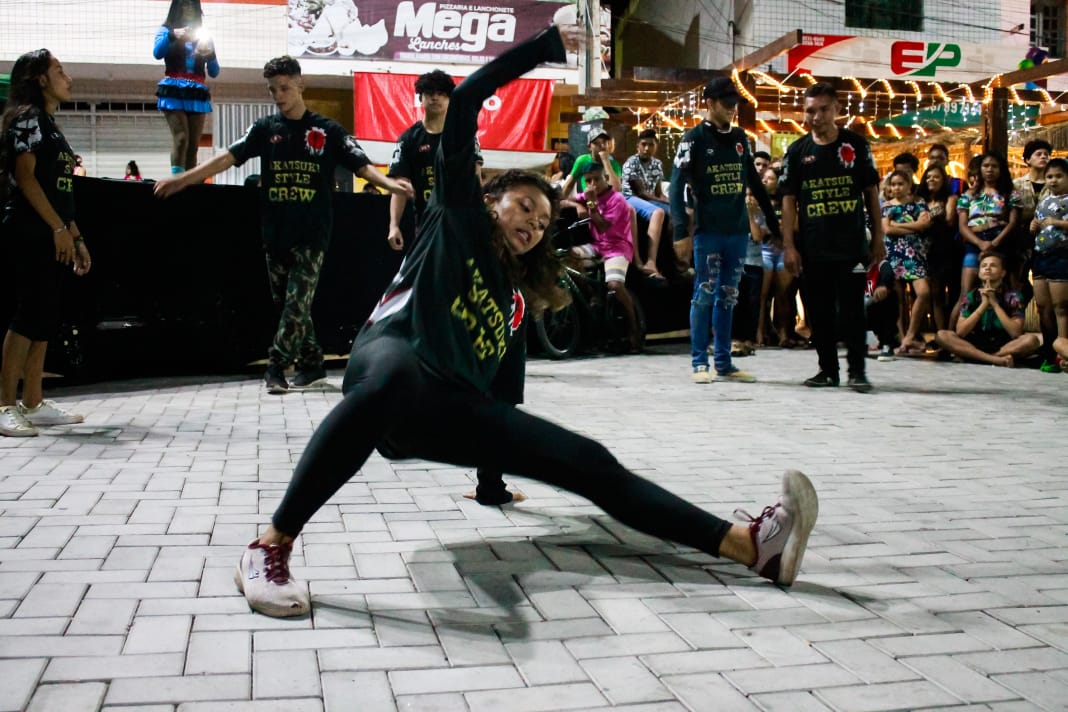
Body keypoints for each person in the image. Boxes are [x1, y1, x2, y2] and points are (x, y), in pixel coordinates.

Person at [231, 23, 819, 619]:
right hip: (389, 359)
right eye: (526, 208)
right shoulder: (458, 215)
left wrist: (491, 484)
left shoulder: (512, 302)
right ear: (494, 201)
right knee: (393, 380)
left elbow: (500, 402)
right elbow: (464, 103)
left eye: (542, 221)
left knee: (590, 461)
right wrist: (542, 47)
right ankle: (270, 545)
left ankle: (749, 547)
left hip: (445, 410)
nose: (535, 224)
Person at [153, 55, 413, 394]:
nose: (278, 96)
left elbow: (362, 166)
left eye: (285, 88)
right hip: (274, 232)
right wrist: (184, 178)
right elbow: (227, 157)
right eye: (272, 90)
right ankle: (312, 364)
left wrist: (392, 185)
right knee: (291, 308)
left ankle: (276, 366)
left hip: (312, 233)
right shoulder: (264, 129)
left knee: (296, 303)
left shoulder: (328, 130)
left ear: (300, 85)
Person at [0, 50, 91, 438]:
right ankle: (4, 404)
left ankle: (33, 403)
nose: (67, 78)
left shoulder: (49, 125)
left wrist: (75, 236)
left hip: (53, 230)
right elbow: (25, 178)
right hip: (29, 229)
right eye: (59, 71)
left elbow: (59, 190)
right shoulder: (27, 118)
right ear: (40, 79)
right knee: (27, 317)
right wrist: (56, 229)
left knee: (44, 316)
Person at [670, 76, 778, 385]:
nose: (732, 109)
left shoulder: (741, 138)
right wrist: (680, 231)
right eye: (727, 103)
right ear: (710, 103)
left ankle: (724, 362)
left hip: (738, 231)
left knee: (729, 296)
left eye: (735, 103)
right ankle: (699, 362)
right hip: (708, 231)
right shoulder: (693, 139)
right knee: (704, 293)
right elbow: (676, 186)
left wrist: (774, 225)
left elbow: (755, 182)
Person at [780, 83, 885, 393]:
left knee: (853, 310)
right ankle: (827, 370)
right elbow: (788, 201)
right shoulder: (797, 152)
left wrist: (878, 237)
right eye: (810, 111)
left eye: (824, 109)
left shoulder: (857, 145)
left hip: (851, 246)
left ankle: (857, 371)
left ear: (837, 109)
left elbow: (871, 194)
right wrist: (789, 246)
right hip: (813, 248)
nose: (816, 116)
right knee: (819, 311)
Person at [386, 69, 459, 252]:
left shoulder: (462, 135)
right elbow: (400, 186)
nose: (435, 98)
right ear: (420, 98)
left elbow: (475, 178)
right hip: (425, 225)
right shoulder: (408, 139)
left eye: (441, 93)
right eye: (429, 93)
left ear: (450, 99)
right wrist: (394, 225)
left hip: (458, 223)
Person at [572, 161, 641, 350]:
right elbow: (564, 199)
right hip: (597, 246)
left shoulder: (617, 199)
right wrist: (578, 205)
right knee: (568, 257)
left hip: (617, 247)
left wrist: (591, 205)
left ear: (606, 178)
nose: (592, 184)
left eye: (596, 179)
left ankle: (634, 327)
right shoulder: (588, 195)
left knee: (615, 285)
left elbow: (602, 226)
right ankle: (593, 294)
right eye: (588, 181)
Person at [934, 252, 1039, 366]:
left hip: (1003, 344)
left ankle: (983, 357)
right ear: (979, 273)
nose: (987, 268)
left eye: (993, 265)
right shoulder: (971, 296)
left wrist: (994, 304)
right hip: (974, 342)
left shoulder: (1013, 297)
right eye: (984, 266)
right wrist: (983, 305)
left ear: (1003, 273)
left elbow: (1015, 333)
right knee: (942, 335)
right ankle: (996, 359)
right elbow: (961, 332)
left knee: (1031, 340)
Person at [154, 0, 219, 174]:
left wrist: (210, 54)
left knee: (193, 146)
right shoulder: (166, 30)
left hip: (197, 90)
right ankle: (176, 182)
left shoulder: (204, 35)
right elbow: (157, 53)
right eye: (184, 4)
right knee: (182, 138)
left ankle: (189, 184)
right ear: (176, 7)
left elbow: (214, 71)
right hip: (174, 88)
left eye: (192, 5)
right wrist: (173, 35)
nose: (188, 8)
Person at [956, 152, 1021, 305]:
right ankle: (960, 321)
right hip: (974, 242)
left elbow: (1013, 223)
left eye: (994, 166)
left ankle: (1013, 319)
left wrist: (995, 243)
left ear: (1001, 169)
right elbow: (962, 226)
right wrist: (980, 243)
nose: (990, 169)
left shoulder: (1010, 193)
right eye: (986, 166)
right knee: (966, 294)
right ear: (980, 169)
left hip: (1001, 241)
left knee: (1010, 292)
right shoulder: (969, 194)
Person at [881, 169, 932, 354]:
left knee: (923, 292)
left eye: (900, 184)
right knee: (898, 299)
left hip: (915, 255)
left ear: (909, 185)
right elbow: (887, 230)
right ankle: (902, 339)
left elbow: (924, 225)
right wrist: (913, 227)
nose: (896, 188)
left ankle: (911, 335)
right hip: (894, 254)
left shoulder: (919, 204)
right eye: (893, 184)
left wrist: (898, 225)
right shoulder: (886, 206)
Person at [1029, 156, 1068, 372]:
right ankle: (1048, 352)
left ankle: (1063, 352)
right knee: (1043, 307)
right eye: (1050, 177)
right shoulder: (1043, 200)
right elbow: (1038, 224)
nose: (1053, 180)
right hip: (1040, 256)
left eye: (1059, 176)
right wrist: (1033, 226)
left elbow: (1055, 223)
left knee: (1061, 307)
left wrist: (1057, 222)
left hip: (1062, 256)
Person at [754, 167, 800, 348]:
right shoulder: (758, 201)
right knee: (762, 296)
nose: (765, 181)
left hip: (782, 250)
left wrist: (777, 228)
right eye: (764, 178)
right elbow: (758, 229)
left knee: (783, 294)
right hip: (764, 250)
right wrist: (779, 227)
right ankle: (759, 332)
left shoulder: (786, 201)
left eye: (770, 178)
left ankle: (783, 333)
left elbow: (794, 225)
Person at [916, 164, 959, 338]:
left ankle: (954, 335)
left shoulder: (951, 198)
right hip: (927, 252)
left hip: (947, 250)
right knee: (936, 295)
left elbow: (949, 219)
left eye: (936, 176)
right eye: (928, 177)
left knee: (954, 293)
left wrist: (927, 219)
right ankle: (940, 336)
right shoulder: (920, 201)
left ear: (944, 180)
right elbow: (918, 224)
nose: (931, 180)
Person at [621, 128, 669, 281]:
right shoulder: (631, 163)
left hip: (650, 200)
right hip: (631, 197)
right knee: (658, 212)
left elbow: (658, 192)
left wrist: (672, 201)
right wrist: (664, 201)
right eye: (644, 144)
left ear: (656, 146)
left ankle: (677, 264)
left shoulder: (657, 164)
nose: (647, 148)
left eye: (651, 145)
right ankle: (650, 262)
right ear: (638, 146)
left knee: (682, 212)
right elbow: (640, 193)